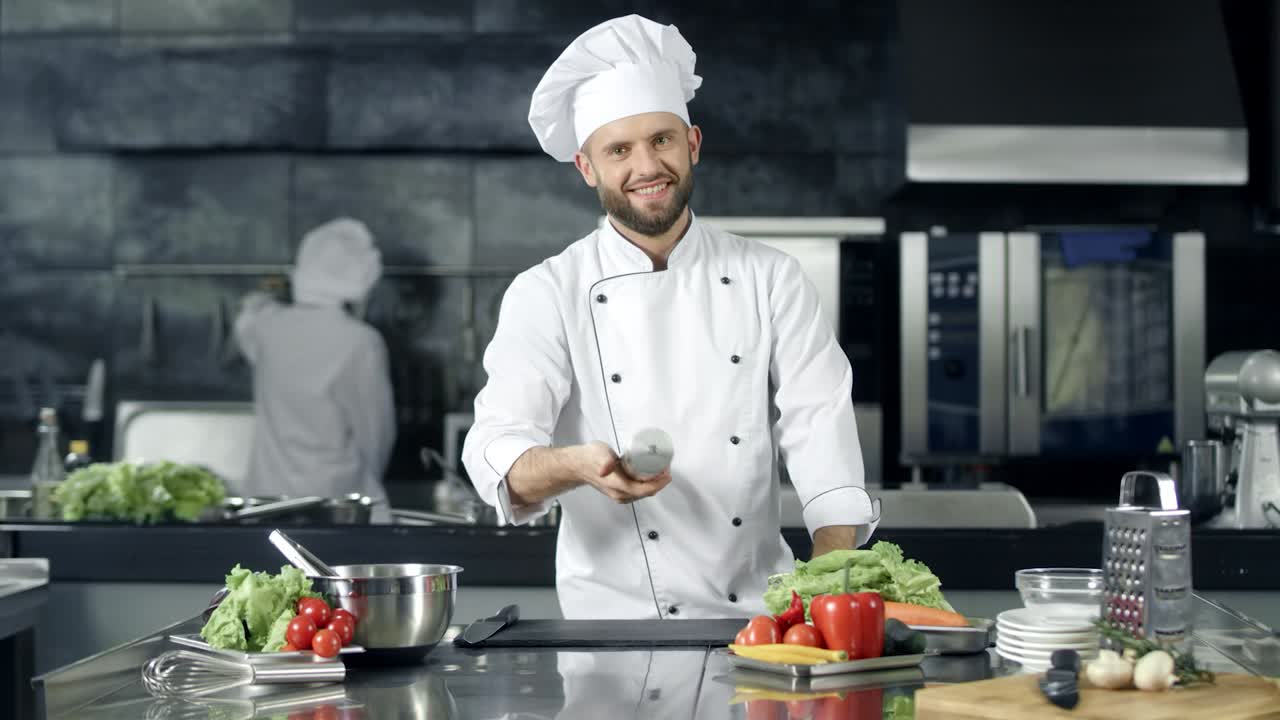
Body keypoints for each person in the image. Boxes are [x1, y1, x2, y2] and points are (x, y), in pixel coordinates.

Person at [462, 15, 879, 619]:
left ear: (693, 144)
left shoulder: (771, 277)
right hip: (610, 629)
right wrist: (576, 464)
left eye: (661, 139)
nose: (646, 167)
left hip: (759, 617)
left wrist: (829, 579)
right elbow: (499, 450)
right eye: (619, 150)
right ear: (587, 168)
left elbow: (820, 426)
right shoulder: (548, 291)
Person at [235, 217, 395, 507]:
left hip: (265, 498)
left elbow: (249, 310)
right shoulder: (360, 341)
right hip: (335, 501)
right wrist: (372, 482)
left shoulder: (266, 325)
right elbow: (375, 434)